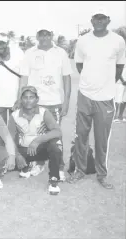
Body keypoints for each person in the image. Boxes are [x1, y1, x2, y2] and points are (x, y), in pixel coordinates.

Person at [68, 9, 126, 189]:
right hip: (85, 95)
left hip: (106, 98)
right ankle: (79, 170)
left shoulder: (118, 40)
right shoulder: (83, 40)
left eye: (103, 19)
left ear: (108, 21)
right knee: (81, 137)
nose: (99, 21)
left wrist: (106, 84)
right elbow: (79, 64)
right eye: (96, 19)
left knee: (102, 139)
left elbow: (119, 66)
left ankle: (102, 174)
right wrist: (90, 82)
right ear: (91, 21)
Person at [19, 25, 72, 180]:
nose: (44, 38)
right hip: (34, 103)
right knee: (36, 134)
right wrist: (21, 99)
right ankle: (39, 163)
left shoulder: (61, 53)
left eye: (47, 34)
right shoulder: (29, 53)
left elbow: (66, 78)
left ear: (52, 35)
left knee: (55, 136)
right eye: (41, 34)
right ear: (37, 36)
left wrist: (66, 101)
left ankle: (59, 167)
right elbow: (24, 78)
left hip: (54, 102)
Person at [8, 86, 62, 195]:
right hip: (24, 151)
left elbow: (58, 132)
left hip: (41, 149)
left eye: (31, 97)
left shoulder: (44, 112)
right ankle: (26, 165)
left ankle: (54, 180)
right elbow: (9, 138)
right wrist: (17, 155)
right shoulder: (14, 116)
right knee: (4, 155)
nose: (28, 100)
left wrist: (38, 140)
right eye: (25, 97)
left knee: (55, 146)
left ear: (37, 99)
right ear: (21, 99)